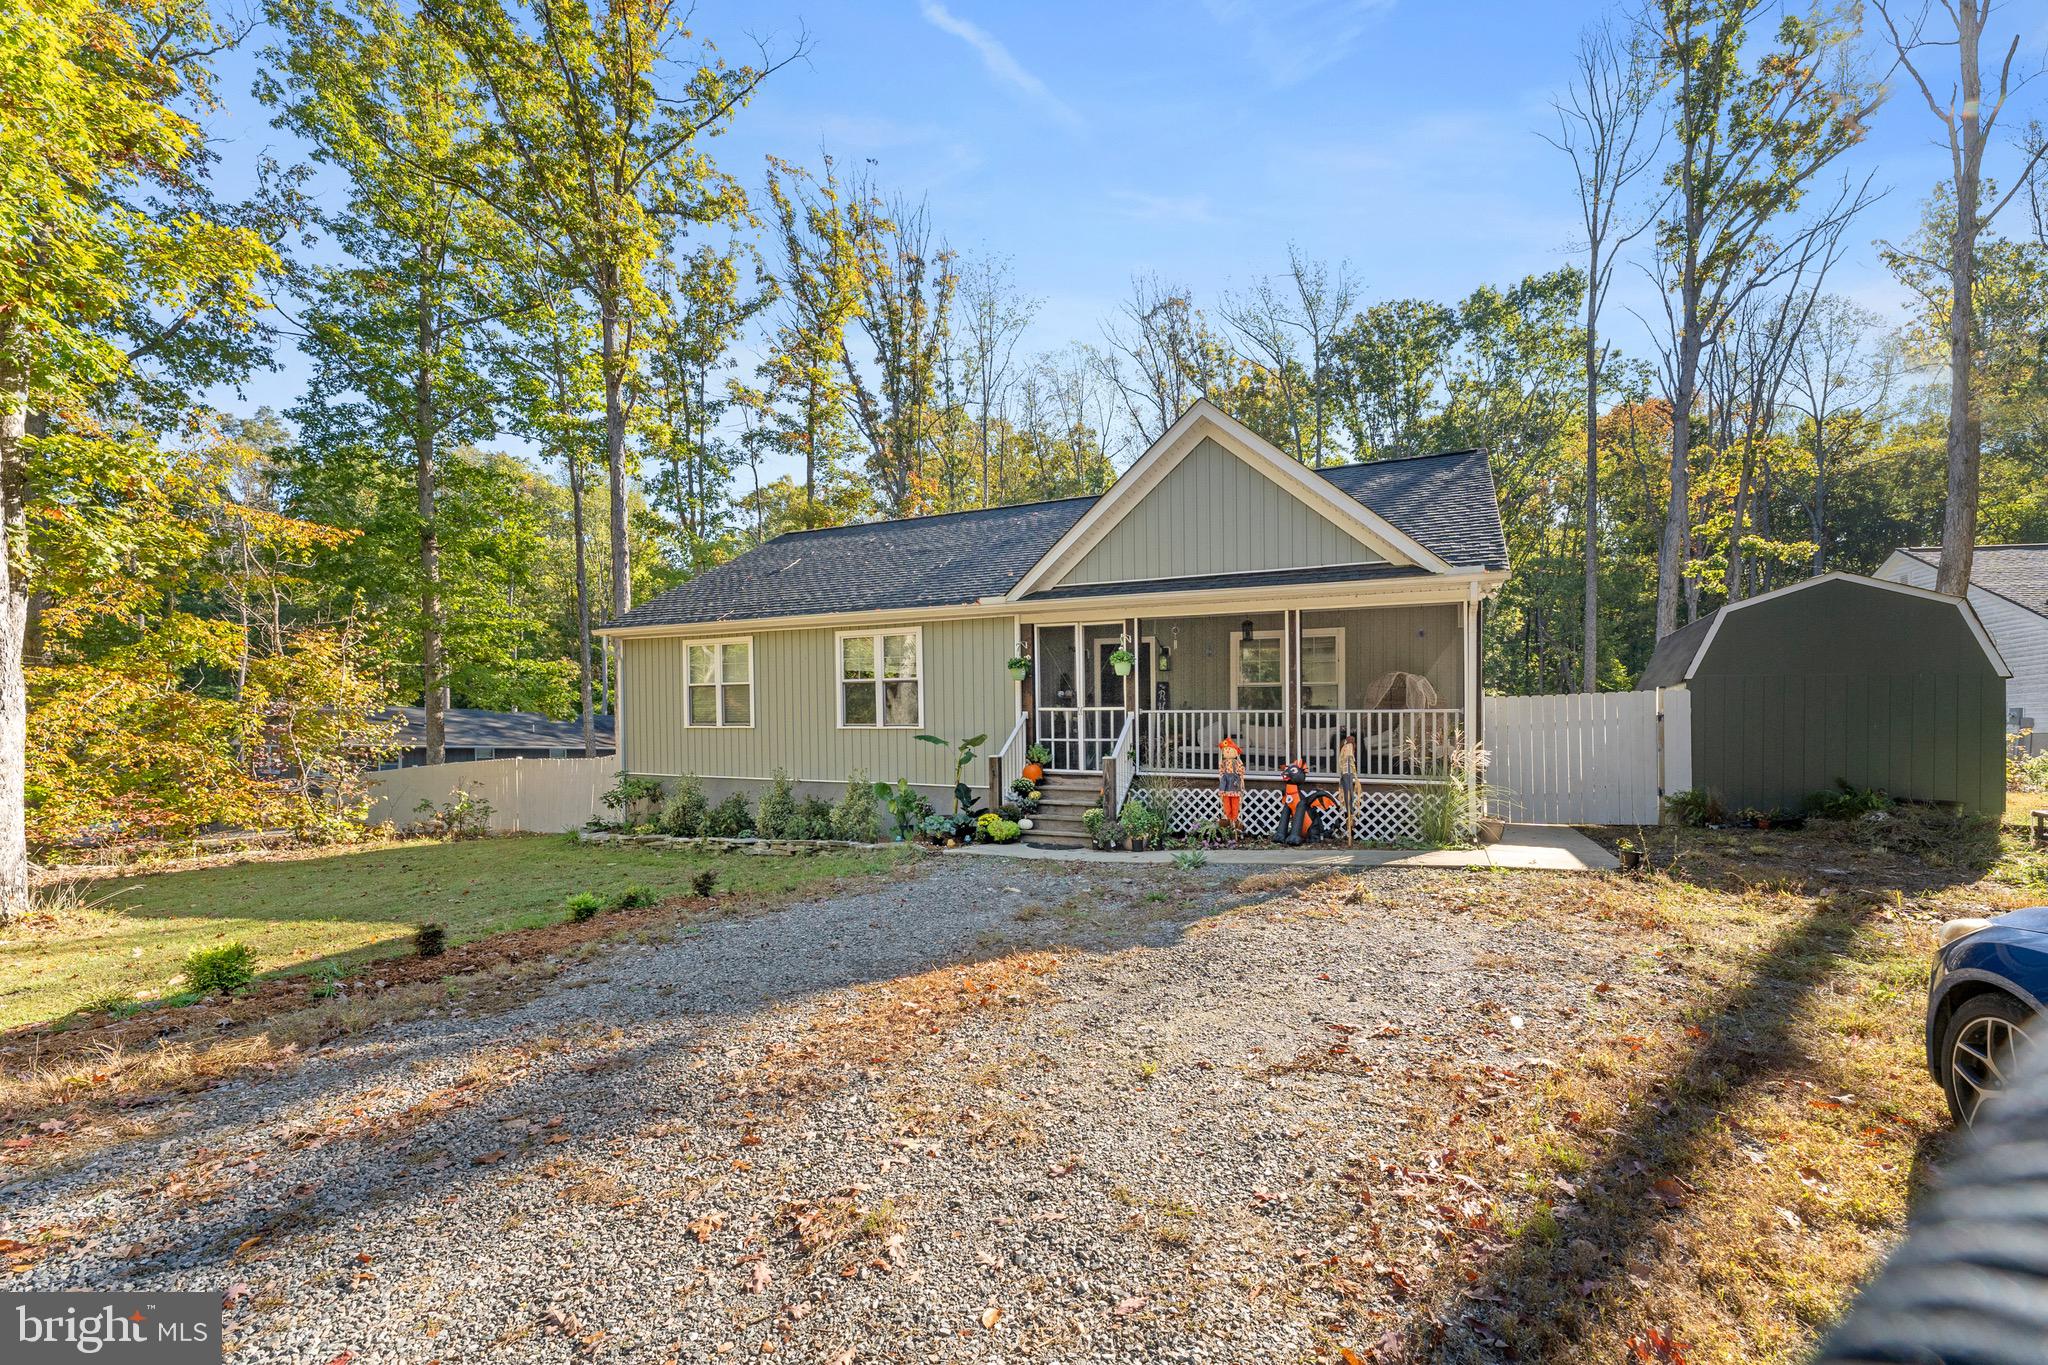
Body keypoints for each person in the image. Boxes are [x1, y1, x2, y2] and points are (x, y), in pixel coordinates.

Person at [1217, 734, 1245, 836]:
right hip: (1225, 785)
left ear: (1235, 752)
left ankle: (1235, 820)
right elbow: (1221, 772)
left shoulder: (1236, 762)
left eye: (1229, 749)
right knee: (1226, 804)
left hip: (1235, 785)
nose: (1227, 751)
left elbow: (1241, 770)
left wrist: (1240, 777)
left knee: (1235, 804)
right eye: (1225, 750)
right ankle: (1227, 818)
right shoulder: (1223, 763)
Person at [1336, 730, 1358, 845]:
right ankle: (1349, 819)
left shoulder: (1350, 751)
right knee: (1347, 796)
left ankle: (1351, 819)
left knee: (1350, 797)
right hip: (1345, 775)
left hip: (1349, 775)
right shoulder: (1345, 749)